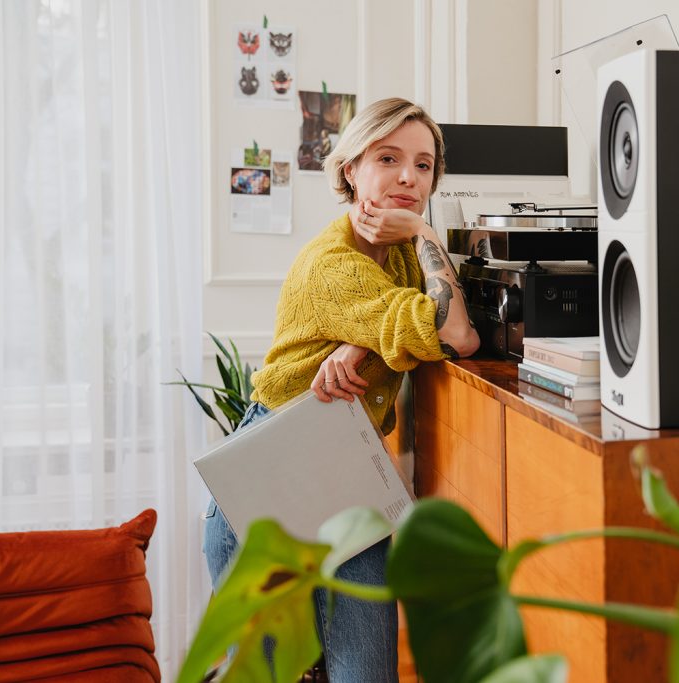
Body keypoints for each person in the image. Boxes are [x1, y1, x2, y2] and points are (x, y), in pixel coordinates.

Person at [202, 97, 479, 682]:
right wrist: (426, 229)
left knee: (367, 670)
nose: (409, 176)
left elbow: (431, 316)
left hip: (343, 472)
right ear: (351, 169)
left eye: (424, 165)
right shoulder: (334, 264)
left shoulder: (397, 254)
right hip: (271, 476)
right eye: (389, 157)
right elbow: (456, 332)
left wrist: (365, 341)